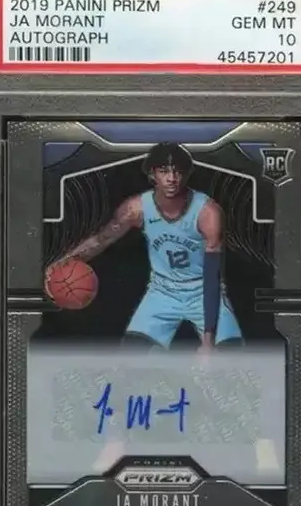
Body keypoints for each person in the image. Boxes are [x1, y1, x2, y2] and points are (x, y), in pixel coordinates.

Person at [45, 142, 243, 353]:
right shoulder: (136, 209)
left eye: (178, 172)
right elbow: (101, 240)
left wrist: (208, 342)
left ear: (187, 174)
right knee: (133, 355)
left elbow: (212, 277)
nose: (172, 178)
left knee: (230, 356)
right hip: (163, 291)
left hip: (202, 291)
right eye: (164, 171)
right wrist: (64, 261)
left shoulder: (207, 212)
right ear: (152, 174)